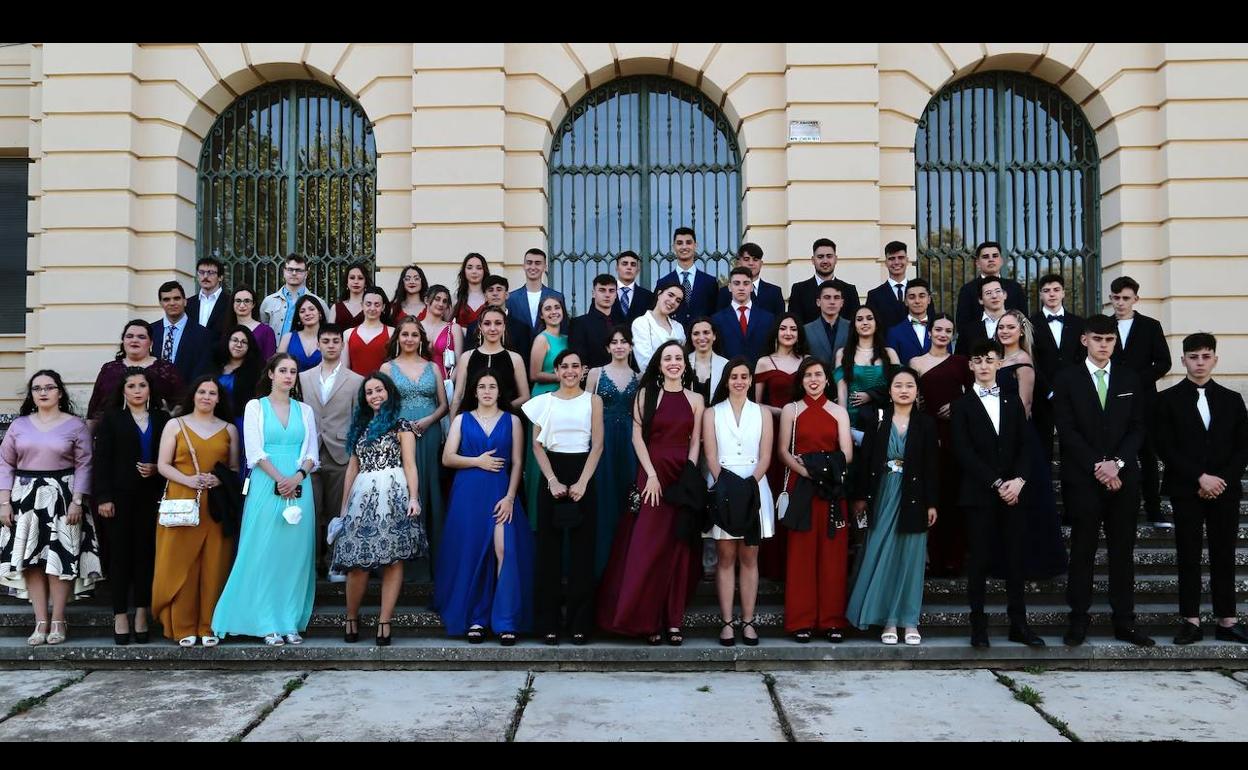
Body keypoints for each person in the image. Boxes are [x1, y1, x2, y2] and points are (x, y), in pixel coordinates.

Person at [1052, 315, 1154, 647]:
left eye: (1109, 339)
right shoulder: (1067, 379)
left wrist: (1117, 464)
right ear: (1085, 340)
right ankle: (1078, 620)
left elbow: (1139, 427)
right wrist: (1099, 466)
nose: (1103, 345)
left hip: (1124, 479)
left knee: (1122, 552)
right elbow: (1067, 431)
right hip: (1083, 478)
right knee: (1082, 550)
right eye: (1097, 339)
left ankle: (1124, 620)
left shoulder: (1129, 378)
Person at [598, 340, 704, 646]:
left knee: (677, 550)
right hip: (652, 473)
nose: (673, 363)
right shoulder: (646, 394)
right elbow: (636, 436)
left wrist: (689, 476)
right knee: (649, 547)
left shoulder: (696, 399)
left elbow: (695, 441)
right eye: (668, 358)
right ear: (659, 364)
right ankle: (645, 620)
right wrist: (652, 476)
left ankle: (673, 620)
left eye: (678, 358)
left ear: (685, 364)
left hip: (681, 476)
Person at [211, 354, 319, 646]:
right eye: (282, 370)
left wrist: (296, 477)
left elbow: (312, 453)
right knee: (262, 550)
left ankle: (289, 620)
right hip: (265, 483)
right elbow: (254, 452)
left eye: (293, 371)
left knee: (294, 556)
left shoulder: (305, 410)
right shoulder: (255, 407)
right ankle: (264, 621)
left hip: (299, 486)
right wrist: (279, 479)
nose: (288, 376)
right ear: (270, 374)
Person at [1154, 333, 1248, 644]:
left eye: (1206, 356)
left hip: (1225, 489)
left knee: (1224, 554)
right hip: (1186, 489)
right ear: (1183, 360)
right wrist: (1200, 478)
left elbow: (1242, 447)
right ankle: (1191, 621)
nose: (1199, 363)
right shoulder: (1166, 400)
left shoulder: (1233, 400)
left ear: (1215, 360)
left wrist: (1221, 480)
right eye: (1193, 357)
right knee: (1188, 554)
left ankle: (1227, 620)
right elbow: (1165, 447)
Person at [952, 340, 1045, 648]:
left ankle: (1019, 624)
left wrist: (1018, 480)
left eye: (989, 360)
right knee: (978, 561)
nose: (983, 366)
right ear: (970, 366)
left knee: (1015, 560)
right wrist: (995, 482)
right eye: (977, 360)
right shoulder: (962, 405)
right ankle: (978, 627)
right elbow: (963, 451)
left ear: (998, 364)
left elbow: (1025, 446)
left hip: (1014, 494)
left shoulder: (1012, 401)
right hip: (979, 494)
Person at [0, 371, 101, 646]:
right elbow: (5, 464)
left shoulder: (75, 425)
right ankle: (40, 621)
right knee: (32, 562)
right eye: (37, 388)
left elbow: (85, 464)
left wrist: (77, 500)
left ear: (60, 392)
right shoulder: (19, 426)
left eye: (49, 387)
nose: (43, 392)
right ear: (31, 394)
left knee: (60, 561)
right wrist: (4, 502)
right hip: (25, 497)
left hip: (64, 497)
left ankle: (58, 619)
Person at [435, 370, 535, 645]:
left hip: (501, 493)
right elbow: (448, 458)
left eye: (492, 386)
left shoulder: (513, 421)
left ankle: (505, 621)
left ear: (499, 391)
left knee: (503, 549)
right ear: (475, 391)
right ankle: (477, 619)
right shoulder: (461, 420)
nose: (487, 391)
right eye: (482, 386)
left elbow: (517, 463)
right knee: (473, 552)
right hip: (468, 493)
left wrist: (511, 497)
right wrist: (477, 461)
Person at [331, 373, 427, 647]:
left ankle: (385, 621)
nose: (375, 395)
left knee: (394, 560)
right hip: (363, 496)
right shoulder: (360, 426)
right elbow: (352, 468)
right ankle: (351, 617)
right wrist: (344, 507)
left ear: (389, 392)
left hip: (395, 492)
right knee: (357, 563)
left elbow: (410, 464)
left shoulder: (402, 426)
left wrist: (413, 497)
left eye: (379, 390)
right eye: (369, 392)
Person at [847, 367, 938, 645]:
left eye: (909, 385)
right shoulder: (877, 419)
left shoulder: (926, 423)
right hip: (883, 492)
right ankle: (887, 619)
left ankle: (908, 620)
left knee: (910, 558)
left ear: (917, 391)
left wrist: (932, 503)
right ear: (890, 390)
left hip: (914, 496)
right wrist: (861, 496)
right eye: (898, 385)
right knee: (880, 551)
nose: (903, 390)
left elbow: (932, 466)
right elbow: (865, 461)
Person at [523, 350, 604, 645]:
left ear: (583, 371)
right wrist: (553, 480)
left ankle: (580, 623)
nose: (570, 371)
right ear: (556, 371)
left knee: (583, 553)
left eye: (575, 366)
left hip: (584, 472)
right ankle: (549, 624)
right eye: (564, 367)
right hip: (552, 474)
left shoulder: (593, 401)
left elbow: (597, 445)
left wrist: (582, 482)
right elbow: (536, 446)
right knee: (549, 552)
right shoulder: (542, 402)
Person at [152, 375, 239, 647]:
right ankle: (182, 625)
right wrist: (187, 480)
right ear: (193, 395)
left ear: (218, 399)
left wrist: (219, 479)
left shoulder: (229, 429)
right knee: (180, 564)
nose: (206, 397)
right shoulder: (175, 425)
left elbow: (235, 469)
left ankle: (209, 625)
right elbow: (162, 464)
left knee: (215, 563)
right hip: (182, 499)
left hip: (215, 504)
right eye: (202, 391)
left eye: (212, 393)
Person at [92, 367, 170, 645]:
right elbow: (101, 462)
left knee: (146, 555)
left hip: (152, 497)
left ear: (150, 390)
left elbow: (171, 458)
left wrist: (156, 469)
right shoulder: (112, 419)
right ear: (123, 391)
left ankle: (141, 612)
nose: (137, 391)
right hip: (118, 498)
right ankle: (119, 614)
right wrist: (103, 497)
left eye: (142, 385)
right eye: (132, 386)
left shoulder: (163, 418)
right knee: (120, 556)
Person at [779, 358, 853, 643]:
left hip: (832, 489)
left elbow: (846, 453)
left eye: (818, 375)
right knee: (802, 555)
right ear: (801, 380)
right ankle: (801, 621)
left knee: (833, 556)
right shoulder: (791, 410)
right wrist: (807, 471)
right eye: (808, 375)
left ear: (826, 379)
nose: (813, 380)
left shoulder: (838, 412)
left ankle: (832, 620)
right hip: (802, 488)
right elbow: (783, 451)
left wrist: (821, 468)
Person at [703, 358, 773, 646]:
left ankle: (748, 621)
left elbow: (766, 455)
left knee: (749, 558)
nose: (740, 381)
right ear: (726, 380)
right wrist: (729, 488)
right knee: (725, 557)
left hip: (755, 486)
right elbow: (710, 455)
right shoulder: (711, 413)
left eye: (745, 376)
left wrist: (748, 486)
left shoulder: (763, 413)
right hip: (722, 487)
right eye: (734, 376)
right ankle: (727, 623)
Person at [994, 310, 1067, 580]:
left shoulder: (1023, 361)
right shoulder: (994, 359)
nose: (1004, 331)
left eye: (1010, 327)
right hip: (996, 436)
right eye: (1001, 327)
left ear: (1021, 331)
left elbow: (1025, 406)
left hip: (1019, 437)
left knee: (1028, 503)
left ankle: (1033, 563)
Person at [298, 324, 364, 580]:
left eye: (336, 341)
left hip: (340, 450)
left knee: (339, 508)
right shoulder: (303, 377)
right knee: (312, 509)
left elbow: (359, 418)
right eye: (325, 341)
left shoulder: (355, 379)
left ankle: (337, 560)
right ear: (318, 344)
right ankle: (312, 563)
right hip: (310, 451)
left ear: (342, 344)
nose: (331, 345)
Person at [911, 313, 973, 576]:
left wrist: (957, 407)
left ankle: (954, 559)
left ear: (953, 335)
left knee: (954, 496)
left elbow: (974, 396)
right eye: (938, 329)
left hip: (956, 435)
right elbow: (910, 395)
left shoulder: (961, 362)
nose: (942, 334)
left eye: (948, 331)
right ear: (929, 332)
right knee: (932, 496)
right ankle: (934, 559)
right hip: (928, 433)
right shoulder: (915, 362)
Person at [1109, 275, 1173, 528]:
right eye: (1116, 298)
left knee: (1147, 456)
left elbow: (1164, 362)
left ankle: (1154, 508)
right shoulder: (1104, 325)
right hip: (1111, 401)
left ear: (1136, 299)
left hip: (1145, 401)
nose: (1120, 303)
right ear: (1110, 298)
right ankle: (1118, 507)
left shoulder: (1150, 325)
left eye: (1126, 298)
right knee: (1114, 452)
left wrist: (1136, 381)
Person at [380, 318, 447, 554]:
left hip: (429, 433)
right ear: (397, 338)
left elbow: (444, 405)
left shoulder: (433, 367)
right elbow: (382, 406)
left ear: (421, 339)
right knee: (403, 487)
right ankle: (402, 554)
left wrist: (428, 421)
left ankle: (431, 555)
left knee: (429, 485)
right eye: (405, 335)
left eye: (414, 335)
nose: (409, 339)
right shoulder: (387, 368)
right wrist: (399, 428)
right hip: (399, 435)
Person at [752, 312, 809, 582]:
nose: (788, 333)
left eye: (793, 329)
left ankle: (796, 561)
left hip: (803, 432)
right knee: (774, 490)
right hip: (772, 432)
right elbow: (756, 404)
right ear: (776, 332)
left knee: (797, 491)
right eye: (784, 328)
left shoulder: (807, 362)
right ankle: (772, 563)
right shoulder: (764, 361)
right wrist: (782, 412)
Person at [585, 325, 640, 576]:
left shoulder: (639, 378)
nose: (619, 346)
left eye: (624, 341)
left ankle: (626, 564)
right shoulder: (596, 373)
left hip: (629, 443)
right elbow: (584, 410)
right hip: (602, 441)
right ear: (608, 347)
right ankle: (601, 566)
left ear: (630, 346)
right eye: (614, 342)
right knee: (602, 498)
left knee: (626, 498)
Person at [1028, 273, 1085, 461]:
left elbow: (1082, 359)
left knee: (1074, 445)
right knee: (1042, 446)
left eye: (1056, 290)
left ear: (1064, 293)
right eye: (1046, 291)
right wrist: (1049, 391)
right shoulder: (1030, 324)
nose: (1051, 294)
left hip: (1073, 395)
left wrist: (1072, 388)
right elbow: (1031, 361)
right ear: (1040, 295)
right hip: (1041, 395)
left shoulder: (1079, 323)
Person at [523, 295, 569, 519]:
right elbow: (534, 374)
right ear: (541, 315)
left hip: (563, 398)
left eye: (557, 307)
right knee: (540, 452)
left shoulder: (567, 339)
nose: (553, 312)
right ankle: (535, 516)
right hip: (543, 398)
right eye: (548, 309)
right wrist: (562, 376)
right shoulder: (542, 339)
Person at [87, 319, 184, 422]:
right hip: (112, 432)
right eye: (129, 336)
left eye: (141, 337)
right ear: (123, 341)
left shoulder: (166, 369)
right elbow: (94, 409)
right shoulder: (109, 369)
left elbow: (181, 403)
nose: (134, 340)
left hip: (156, 433)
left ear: (151, 342)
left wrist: (170, 417)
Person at [834, 305, 899, 442]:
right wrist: (843, 425)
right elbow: (842, 392)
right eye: (859, 319)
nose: (865, 322)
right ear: (854, 325)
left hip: (883, 420)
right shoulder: (843, 354)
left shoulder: (890, 353)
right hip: (853, 422)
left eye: (870, 318)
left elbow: (897, 389)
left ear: (876, 324)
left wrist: (870, 395)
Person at [450, 307, 530, 416]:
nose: (493, 328)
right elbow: (457, 397)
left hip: (504, 422)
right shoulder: (467, 357)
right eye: (487, 323)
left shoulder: (515, 358)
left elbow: (525, 397)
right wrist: (453, 427)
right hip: (471, 421)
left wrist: (499, 410)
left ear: (504, 326)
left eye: (498, 323)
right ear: (480, 327)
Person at [954, 241, 1027, 343]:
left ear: (1001, 260)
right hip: (978, 349)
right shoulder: (967, 289)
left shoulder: (1014, 287)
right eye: (986, 257)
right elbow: (963, 324)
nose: (991, 259)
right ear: (978, 263)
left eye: (995, 256)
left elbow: (1024, 319)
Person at [214, 325, 262, 473]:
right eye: (234, 340)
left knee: (238, 466)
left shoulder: (256, 371)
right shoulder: (214, 366)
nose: (238, 344)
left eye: (244, 342)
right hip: (214, 422)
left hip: (241, 424)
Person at [151, 280, 214, 384]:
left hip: (186, 396)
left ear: (185, 301)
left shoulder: (202, 334)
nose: (172, 303)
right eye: (166, 299)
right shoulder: (150, 331)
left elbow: (202, 371)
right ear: (161, 303)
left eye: (177, 298)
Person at [654, 227, 718, 328]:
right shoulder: (663, 283)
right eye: (679, 243)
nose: (684, 247)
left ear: (695, 246)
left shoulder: (710, 282)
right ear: (673, 247)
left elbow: (715, 315)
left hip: (701, 340)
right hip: (672, 340)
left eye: (688, 242)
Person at [788, 238, 861, 326]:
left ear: (836, 259)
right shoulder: (799, 290)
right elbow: (795, 325)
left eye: (829, 256)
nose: (825, 261)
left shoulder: (850, 291)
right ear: (813, 260)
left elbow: (855, 325)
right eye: (820, 257)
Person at [712, 266, 775, 366]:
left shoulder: (768, 318)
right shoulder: (717, 319)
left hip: (759, 375)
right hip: (729, 376)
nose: (741, 288)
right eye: (736, 283)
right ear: (729, 287)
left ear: (751, 287)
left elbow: (771, 350)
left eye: (746, 283)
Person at [462, 274, 533, 358]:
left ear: (506, 295)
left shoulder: (521, 328)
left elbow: (525, 362)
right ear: (485, 296)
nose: (495, 293)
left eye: (499, 289)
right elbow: (468, 360)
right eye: (490, 290)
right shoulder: (473, 327)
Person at [260, 253, 327, 339]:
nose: (294, 273)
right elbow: (264, 330)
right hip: (275, 352)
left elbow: (325, 329)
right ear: (284, 272)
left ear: (306, 274)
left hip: (304, 351)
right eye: (290, 269)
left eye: (299, 270)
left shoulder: (318, 302)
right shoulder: (268, 301)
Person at [715, 242, 785, 316]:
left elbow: (779, 322)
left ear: (761, 264)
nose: (751, 263)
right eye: (746, 259)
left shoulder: (774, 292)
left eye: (755, 259)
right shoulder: (725, 292)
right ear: (739, 263)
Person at [631, 283, 687, 373]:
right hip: (653, 382)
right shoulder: (641, 323)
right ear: (659, 294)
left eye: (678, 300)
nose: (673, 302)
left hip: (678, 382)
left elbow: (683, 358)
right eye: (670, 295)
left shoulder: (678, 327)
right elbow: (644, 363)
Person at [507, 248, 566, 334]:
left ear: (544, 267)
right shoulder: (511, 298)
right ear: (524, 266)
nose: (533, 267)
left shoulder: (557, 297)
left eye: (537, 263)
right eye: (529, 263)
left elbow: (563, 328)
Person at [568, 274, 619, 369]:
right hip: (590, 380)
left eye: (611, 291)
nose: (607, 295)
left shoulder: (621, 324)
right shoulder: (579, 323)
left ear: (616, 295)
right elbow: (578, 360)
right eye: (602, 290)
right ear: (593, 293)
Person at [342, 286, 394, 377]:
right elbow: (344, 369)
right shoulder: (348, 333)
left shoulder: (392, 332)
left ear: (383, 307)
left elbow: (395, 368)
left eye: (377, 304)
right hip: (355, 388)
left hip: (381, 388)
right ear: (362, 305)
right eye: (368, 304)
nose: (372, 308)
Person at [954, 275, 1010, 356]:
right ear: (980, 300)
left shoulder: (1018, 323)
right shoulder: (968, 330)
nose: (994, 296)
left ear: (1005, 295)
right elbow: (960, 360)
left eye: (998, 291)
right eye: (988, 293)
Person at [884, 278, 933, 365]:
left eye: (922, 296)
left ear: (929, 299)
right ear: (906, 301)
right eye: (912, 297)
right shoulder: (894, 332)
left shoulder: (939, 329)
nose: (917, 301)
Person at [865, 241, 911, 332]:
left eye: (901, 257)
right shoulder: (874, 295)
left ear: (907, 260)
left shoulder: (920, 293)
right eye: (892, 258)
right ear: (886, 262)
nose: (896, 262)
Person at [803, 280, 852, 367]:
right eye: (827, 297)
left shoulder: (852, 328)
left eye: (836, 297)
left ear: (842, 303)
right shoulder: (806, 330)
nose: (832, 302)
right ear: (818, 302)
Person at [421, 283, 463, 381]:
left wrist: (448, 385)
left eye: (445, 301)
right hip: (418, 385)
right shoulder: (415, 326)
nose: (441, 304)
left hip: (445, 383)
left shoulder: (454, 328)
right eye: (437, 299)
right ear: (426, 300)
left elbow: (460, 363)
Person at [277, 294, 328, 372]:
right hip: (293, 383)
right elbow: (278, 367)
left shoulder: (329, 339)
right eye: (302, 311)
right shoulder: (287, 338)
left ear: (320, 313)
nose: (307, 313)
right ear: (299, 317)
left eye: (311, 309)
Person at [186, 256, 232, 343]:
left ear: (220, 277)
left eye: (210, 273)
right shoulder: (188, 303)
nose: (205, 276)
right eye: (201, 272)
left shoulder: (230, 303)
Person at [229, 285, 278, 363]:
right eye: (238, 301)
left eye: (247, 301)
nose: (242, 305)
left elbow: (269, 363)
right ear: (233, 303)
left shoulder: (266, 331)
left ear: (253, 304)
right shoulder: (226, 329)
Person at [686, 317, 728, 405]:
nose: (701, 337)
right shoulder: (682, 363)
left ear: (714, 336)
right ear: (691, 338)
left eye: (706, 332)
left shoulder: (726, 365)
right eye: (696, 333)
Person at [613, 250, 654, 323]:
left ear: (638, 270)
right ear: (617, 268)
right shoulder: (605, 292)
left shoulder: (648, 296)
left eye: (633, 264)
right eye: (624, 264)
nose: (629, 267)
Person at [330, 263, 370, 328]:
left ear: (365, 282)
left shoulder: (372, 307)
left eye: (360, 278)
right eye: (352, 278)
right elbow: (330, 334)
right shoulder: (336, 308)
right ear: (347, 282)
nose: (356, 281)